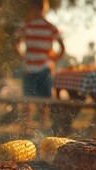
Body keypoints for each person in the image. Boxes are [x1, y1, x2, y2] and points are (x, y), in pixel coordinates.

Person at [15, 0, 65, 135]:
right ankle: (26, 127)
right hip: (29, 68)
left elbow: (62, 47)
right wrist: (23, 57)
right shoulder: (26, 25)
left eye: (36, 8)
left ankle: (43, 126)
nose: (34, 10)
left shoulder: (51, 27)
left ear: (42, 8)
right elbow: (16, 43)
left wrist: (54, 60)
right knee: (27, 99)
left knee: (44, 100)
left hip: (44, 68)